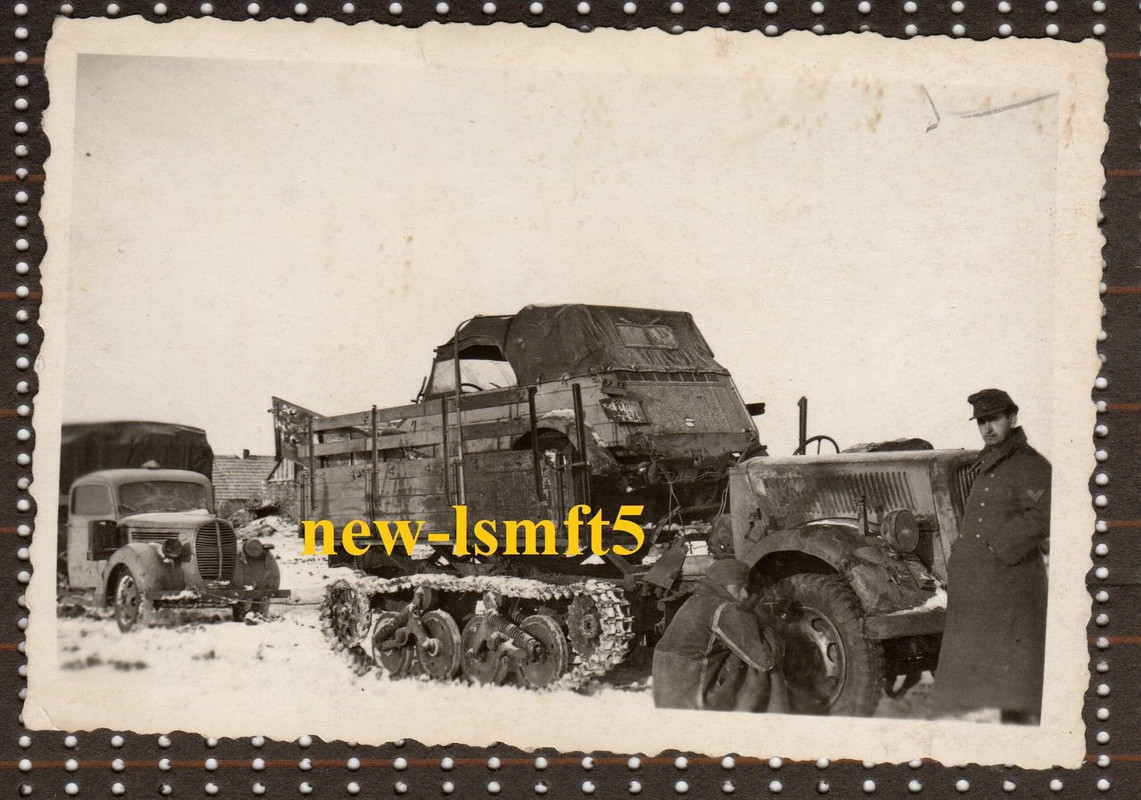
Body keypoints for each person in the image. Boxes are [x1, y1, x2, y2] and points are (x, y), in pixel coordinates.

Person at [934, 389, 1051, 724]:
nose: (987, 428)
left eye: (993, 420)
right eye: (981, 421)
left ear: (1011, 419)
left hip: (1012, 581)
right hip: (984, 582)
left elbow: (1042, 513)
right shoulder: (988, 461)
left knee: (1017, 674)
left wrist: (999, 547)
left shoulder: (1029, 464)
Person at [652, 558, 788, 713]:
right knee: (760, 664)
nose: (744, 594)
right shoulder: (724, 608)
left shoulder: (698, 599)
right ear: (723, 586)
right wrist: (771, 622)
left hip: (669, 693)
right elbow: (765, 660)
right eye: (739, 588)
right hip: (694, 696)